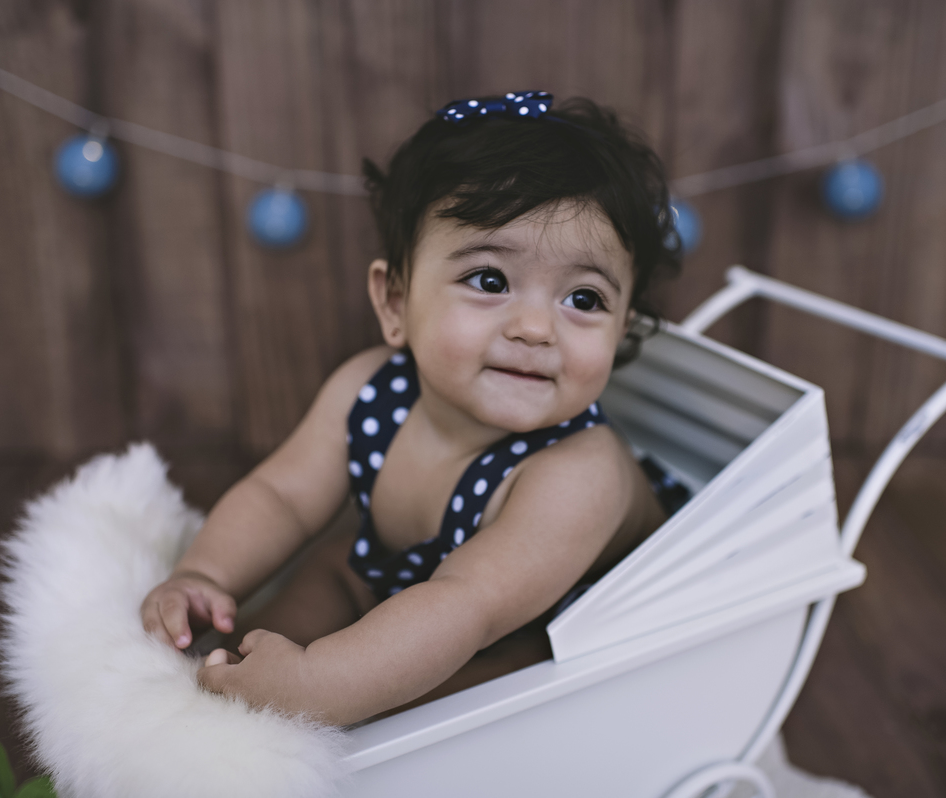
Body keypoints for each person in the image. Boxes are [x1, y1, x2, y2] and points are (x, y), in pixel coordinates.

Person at [140, 92, 687, 726]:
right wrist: (205, 572)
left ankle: (330, 720)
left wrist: (322, 682)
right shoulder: (370, 389)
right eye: (490, 280)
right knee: (335, 567)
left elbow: (467, 603)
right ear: (396, 301)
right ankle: (231, 677)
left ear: (622, 329)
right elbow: (281, 496)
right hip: (420, 588)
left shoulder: (579, 472)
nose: (536, 328)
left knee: (494, 672)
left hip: (543, 624)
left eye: (584, 299)